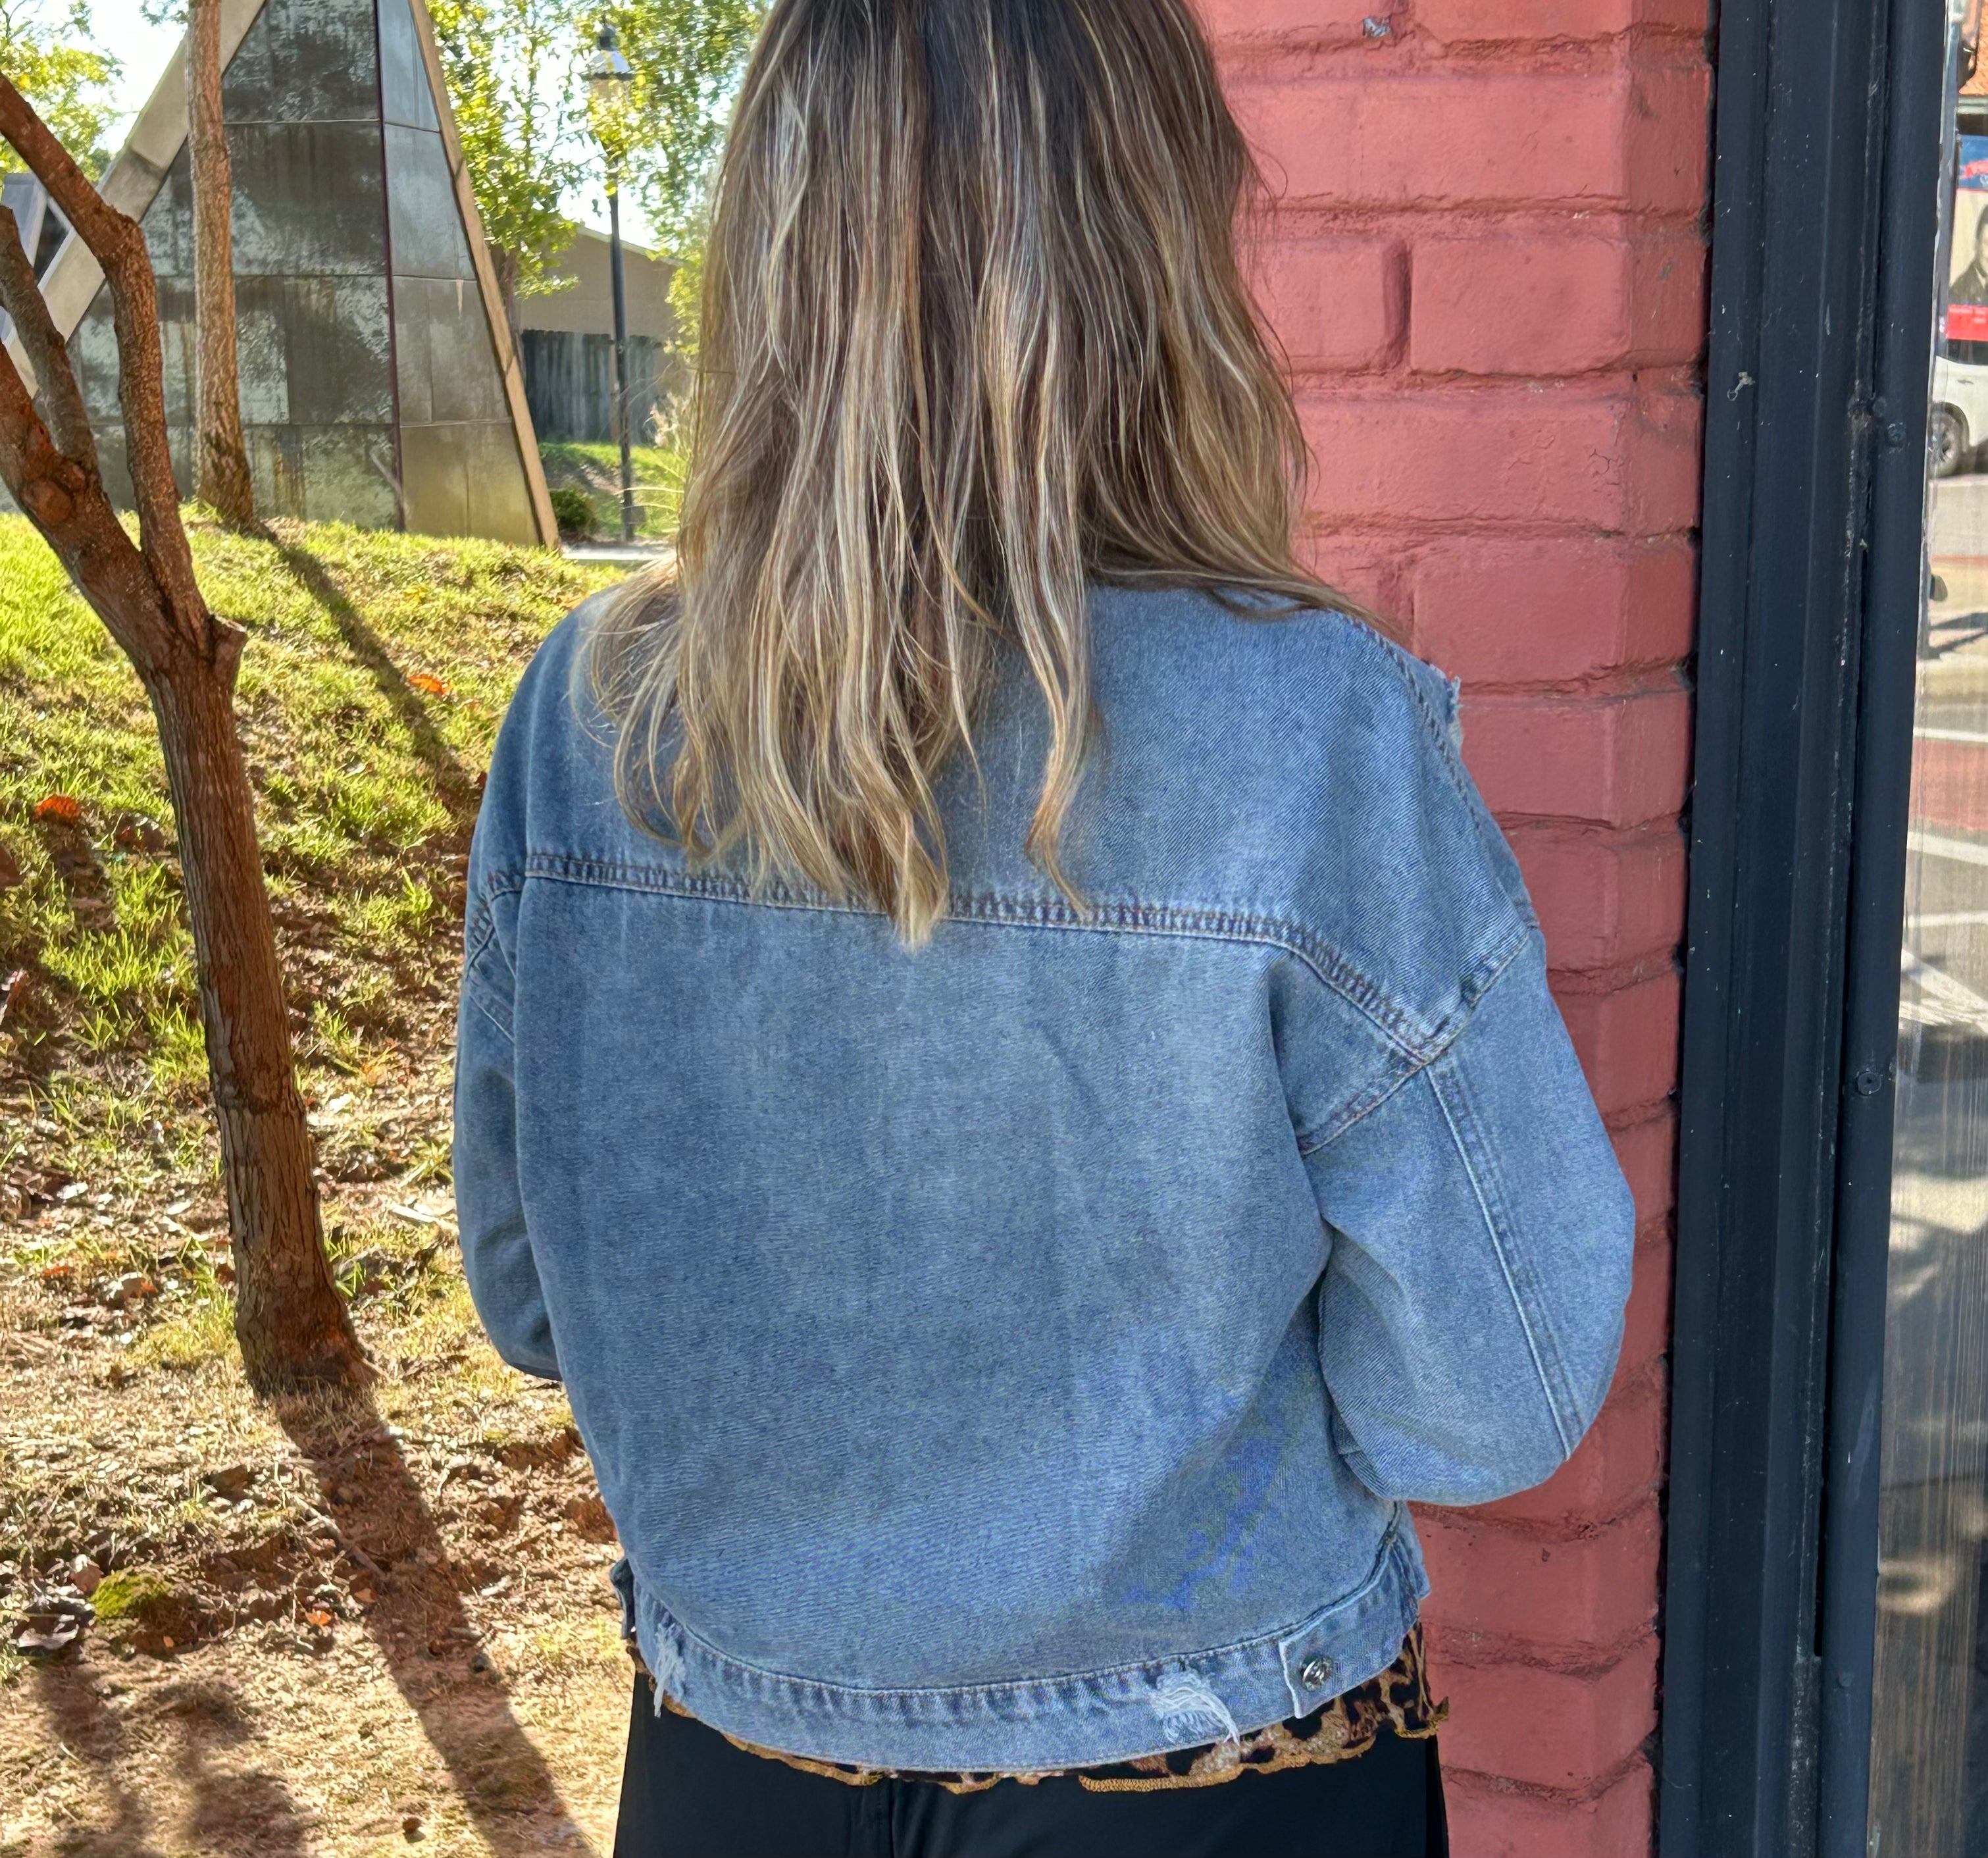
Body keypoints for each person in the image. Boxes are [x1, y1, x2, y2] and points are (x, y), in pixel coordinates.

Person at [453, 1, 1636, 1851]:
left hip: (734, 1767)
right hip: (1214, 1770)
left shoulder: (589, 718)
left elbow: (531, 1298)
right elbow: (1494, 1394)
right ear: (1151, 250)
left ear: (770, 243)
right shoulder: (1305, 731)